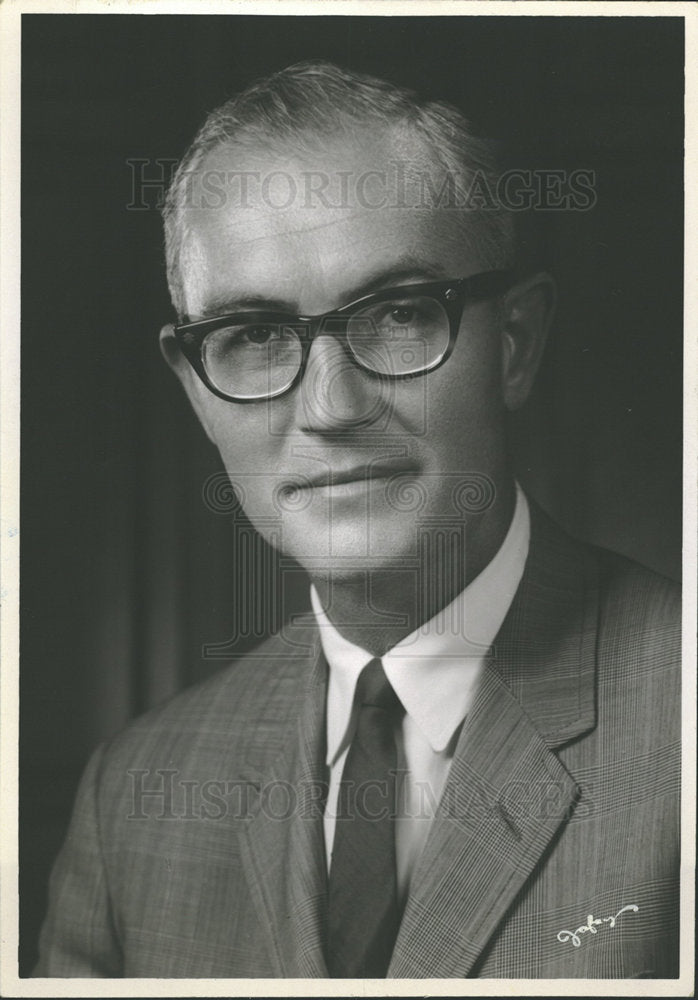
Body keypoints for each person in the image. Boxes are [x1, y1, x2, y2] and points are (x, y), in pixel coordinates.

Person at [35, 61, 680, 979]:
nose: (332, 407)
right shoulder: (135, 796)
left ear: (515, 346)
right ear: (195, 389)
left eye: (400, 314)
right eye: (254, 334)